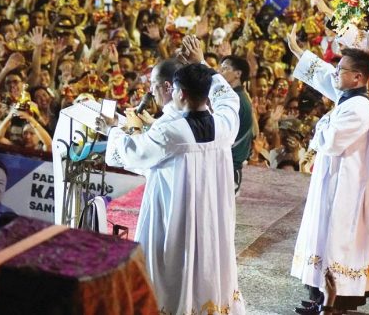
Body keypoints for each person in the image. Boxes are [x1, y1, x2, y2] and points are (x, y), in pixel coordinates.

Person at [101, 54, 245, 313]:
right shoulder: (224, 124)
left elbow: (134, 152)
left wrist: (120, 128)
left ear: (180, 93)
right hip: (211, 219)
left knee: (175, 266)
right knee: (208, 265)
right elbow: (229, 99)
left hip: (177, 219)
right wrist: (205, 66)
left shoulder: (170, 130)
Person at [287, 24, 369, 314]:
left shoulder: (359, 107)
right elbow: (322, 75)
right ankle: (319, 295)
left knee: (338, 238)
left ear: (357, 77)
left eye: (341, 69)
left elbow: (330, 141)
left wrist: (321, 124)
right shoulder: (349, 95)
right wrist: (298, 51)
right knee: (322, 233)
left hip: (347, 187)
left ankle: (336, 299)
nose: (335, 72)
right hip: (333, 179)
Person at [218, 54, 254, 194]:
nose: (220, 72)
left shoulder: (236, 101)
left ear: (238, 74)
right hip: (228, 166)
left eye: (225, 68)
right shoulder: (237, 97)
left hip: (229, 169)